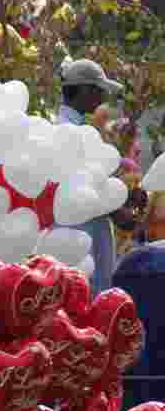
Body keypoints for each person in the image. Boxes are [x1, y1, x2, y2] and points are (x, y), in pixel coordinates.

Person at [57, 58, 125, 295]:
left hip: (82, 232)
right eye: (98, 90)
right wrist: (120, 208)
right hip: (81, 235)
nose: (102, 97)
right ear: (84, 90)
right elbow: (89, 185)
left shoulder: (72, 128)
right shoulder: (69, 132)